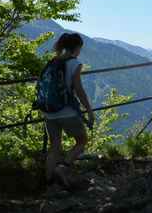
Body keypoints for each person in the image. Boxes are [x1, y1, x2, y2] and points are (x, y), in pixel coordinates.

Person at [42, 32, 94, 189]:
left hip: (49, 112)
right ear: (76, 47)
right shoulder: (74, 64)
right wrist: (89, 110)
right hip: (67, 112)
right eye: (80, 48)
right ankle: (62, 167)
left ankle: (49, 184)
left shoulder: (52, 62)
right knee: (82, 141)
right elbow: (79, 89)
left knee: (55, 147)